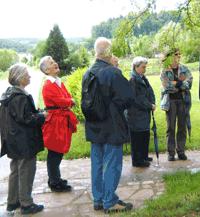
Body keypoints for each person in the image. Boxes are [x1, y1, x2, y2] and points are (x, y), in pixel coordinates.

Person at [82, 37, 134, 213]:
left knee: (97, 163)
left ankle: (98, 199)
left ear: (96, 52)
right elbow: (128, 97)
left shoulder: (87, 73)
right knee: (112, 163)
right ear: (109, 53)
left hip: (94, 124)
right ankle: (109, 201)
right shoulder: (112, 72)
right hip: (111, 125)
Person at [0, 64, 46, 215]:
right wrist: (41, 116)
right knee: (26, 171)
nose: (30, 76)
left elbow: (18, 116)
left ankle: (13, 202)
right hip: (24, 141)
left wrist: (35, 113)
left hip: (13, 140)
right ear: (20, 78)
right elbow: (27, 119)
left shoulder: (8, 95)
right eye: (27, 74)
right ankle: (26, 204)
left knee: (15, 172)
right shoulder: (19, 97)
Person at [39, 56, 78, 192]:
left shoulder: (58, 82)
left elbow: (66, 97)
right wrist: (69, 101)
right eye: (51, 63)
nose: (55, 63)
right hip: (55, 122)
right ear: (46, 69)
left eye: (54, 61)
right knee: (55, 151)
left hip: (60, 120)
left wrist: (68, 100)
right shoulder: (48, 85)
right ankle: (54, 182)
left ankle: (55, 178)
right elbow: (63, 100)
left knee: (58, 151)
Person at [160, 48, 193, 161]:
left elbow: (189, 84)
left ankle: (181, 151)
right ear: (169, 56)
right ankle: (171, 153)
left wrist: (176, 83)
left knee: (182, 127)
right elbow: (167, 86)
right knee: (171, 127)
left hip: (183, 101)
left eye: (179, 54)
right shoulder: (164, 71)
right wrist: (180, 83)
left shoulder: (184, 68)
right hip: (170, 102)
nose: (179, 56)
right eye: (176, 54)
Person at [126, 57, 155, 167]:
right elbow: (136, 99)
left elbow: (150, 91)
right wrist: (149, 105)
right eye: (143, 67)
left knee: (145, 135)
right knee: (137, 137)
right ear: (135, 67)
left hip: (144, 113)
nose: (145, 69)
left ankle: (144, 156)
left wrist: (152, 103)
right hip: (136, 114)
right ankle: (137, 160)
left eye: (145, 67)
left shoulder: (143, 78)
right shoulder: (133, 81)